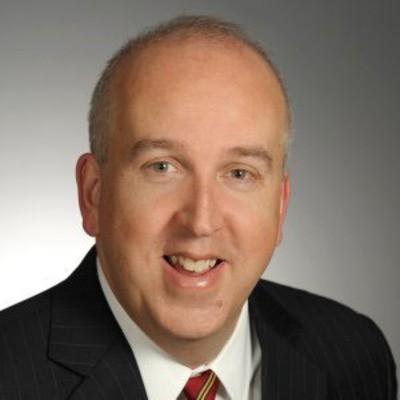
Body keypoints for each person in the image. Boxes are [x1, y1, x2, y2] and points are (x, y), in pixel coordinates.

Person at [0, 15, 396, 400]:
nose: (201, 222)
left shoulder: (353, 355)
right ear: (93, 194)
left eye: (239, 173)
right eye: (162, 167)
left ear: (280, 206)